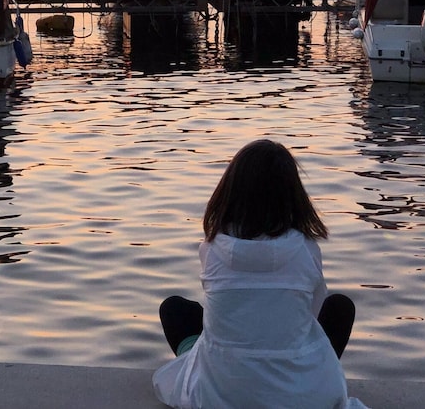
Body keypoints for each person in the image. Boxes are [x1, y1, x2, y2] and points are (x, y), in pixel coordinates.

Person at [152, 139, 366, 408]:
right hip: (302, 396)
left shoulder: (211, 247)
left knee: (175, 309)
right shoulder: (306, 248)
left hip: (221, 393)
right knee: (339, 307)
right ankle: (309, 380)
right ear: (293, 194)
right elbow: (310, 316)